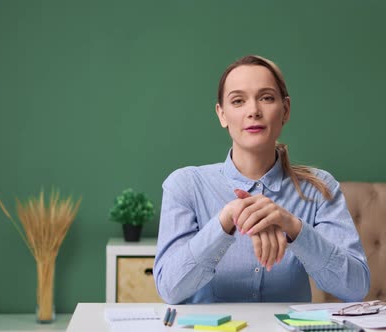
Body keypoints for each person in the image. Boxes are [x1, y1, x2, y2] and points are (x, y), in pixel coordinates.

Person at [154, 55, 369, 304]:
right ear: (222, 114)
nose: (253, 111)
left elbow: (355, 288)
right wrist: (224, 222)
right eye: (238, 101)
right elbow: (170, 289)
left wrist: (293, 226)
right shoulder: (185, 185)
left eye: (266, 98)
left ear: (285, 110)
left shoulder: (319, 188)